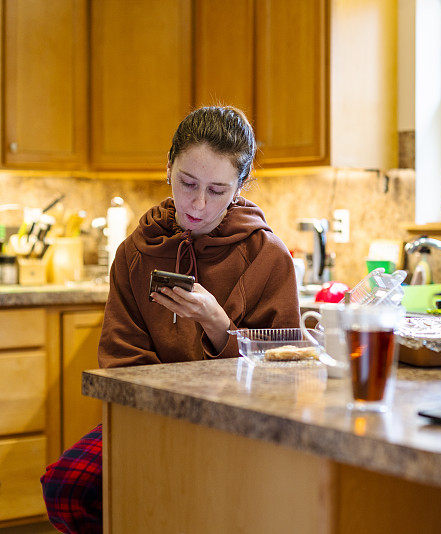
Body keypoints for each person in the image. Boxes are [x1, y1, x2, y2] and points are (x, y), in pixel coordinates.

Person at [40, 106, 300, 533]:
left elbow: (286, 372)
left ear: (240, 187)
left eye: (217, 190)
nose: (198, 204)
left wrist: (220, 326)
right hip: (151, 417)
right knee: (66, 488)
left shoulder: (267, 256)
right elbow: (122, 359)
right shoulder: (134, 253)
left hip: (240, 425)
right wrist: (163, 423)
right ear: (168, 168)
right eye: (187, 183)